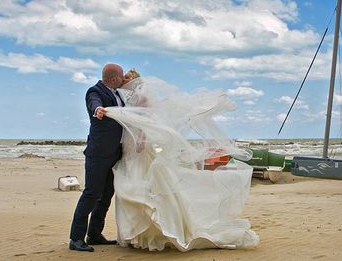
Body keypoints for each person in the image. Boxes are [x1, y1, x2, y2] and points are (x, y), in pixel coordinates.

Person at [105, 71, 259, 251]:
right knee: (131, 188)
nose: (124, 81)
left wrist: (142, 138)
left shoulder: (142, 98)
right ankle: (138, 236)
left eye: (126, 79)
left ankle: (151, 235)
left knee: (143, 188)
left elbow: (147, 119)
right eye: (123, 78)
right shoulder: (125, 98)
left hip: (139, 148)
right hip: (128, 149)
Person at [68, 63, 128, 252]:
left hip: (115, 154)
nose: (123, 78)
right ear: (113, 78)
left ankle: (94, 234)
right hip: (98, 154)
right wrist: (98, 110)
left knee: (106, 195)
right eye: (121, 76)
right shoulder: (95, 91)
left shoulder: (119, 94)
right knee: (91, 194)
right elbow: (93, 103)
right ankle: (76, 238)